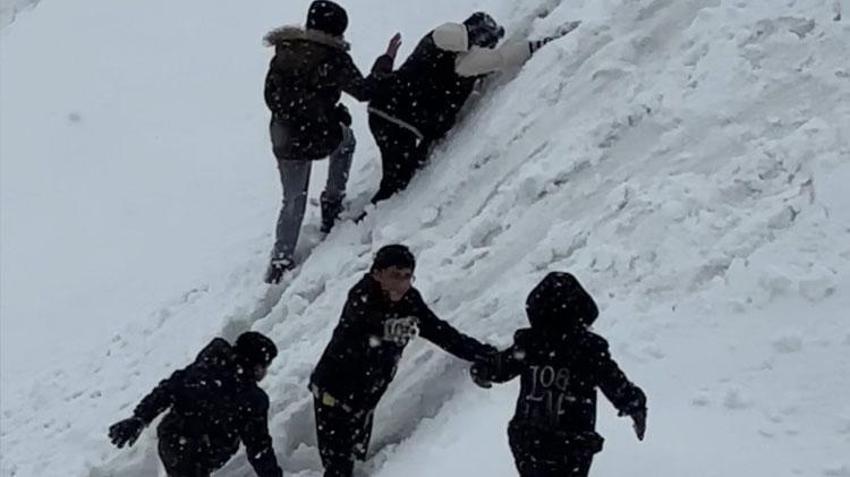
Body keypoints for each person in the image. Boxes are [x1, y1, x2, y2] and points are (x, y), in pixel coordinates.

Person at [309, 244, 495, 476]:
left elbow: (441, 333)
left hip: (366, 397)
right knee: (339, 469)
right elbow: (361, 325)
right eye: (395, 276)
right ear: (377, 274)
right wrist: (387, 329)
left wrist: (483, 353)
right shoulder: (362, 295)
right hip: (334, 395)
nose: (402, 283)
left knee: (355, 460)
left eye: (408, 277)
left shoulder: (410, 302)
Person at [366, 12, 580, 203]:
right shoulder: (464, 62)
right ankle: (366, 220)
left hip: (383, 109)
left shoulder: (437, 37)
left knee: (399, 172)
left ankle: (371, 211)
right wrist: (542, 44)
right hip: (400, 121)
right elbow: (502, 58)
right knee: (398, 180)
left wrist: (386, 59)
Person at [263, 0, 402, 283]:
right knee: (346, 141)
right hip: (318, 135)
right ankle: (332, 202)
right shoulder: (333, 59)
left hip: (283, 138)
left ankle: (281, 259)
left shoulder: (284, 51)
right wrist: (385, 61)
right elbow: (365, 91)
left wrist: (302, 113)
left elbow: (270, 97)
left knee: (293, 199)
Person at [471, 272, 647, 477]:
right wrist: (635, 404)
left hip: (528, 439)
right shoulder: (588, 349)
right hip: (571, 444)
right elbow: (615, 383)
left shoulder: (530, 344)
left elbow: (501, 367)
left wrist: (483, 369)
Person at [108, 332, 283, 477]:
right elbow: (259, 449)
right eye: (264, 366)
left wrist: (139, 418)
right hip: (199, 452)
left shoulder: (211, 362)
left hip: (171, 440)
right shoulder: (252, 399)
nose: (264, 373)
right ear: (256, 366)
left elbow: (170, 388)